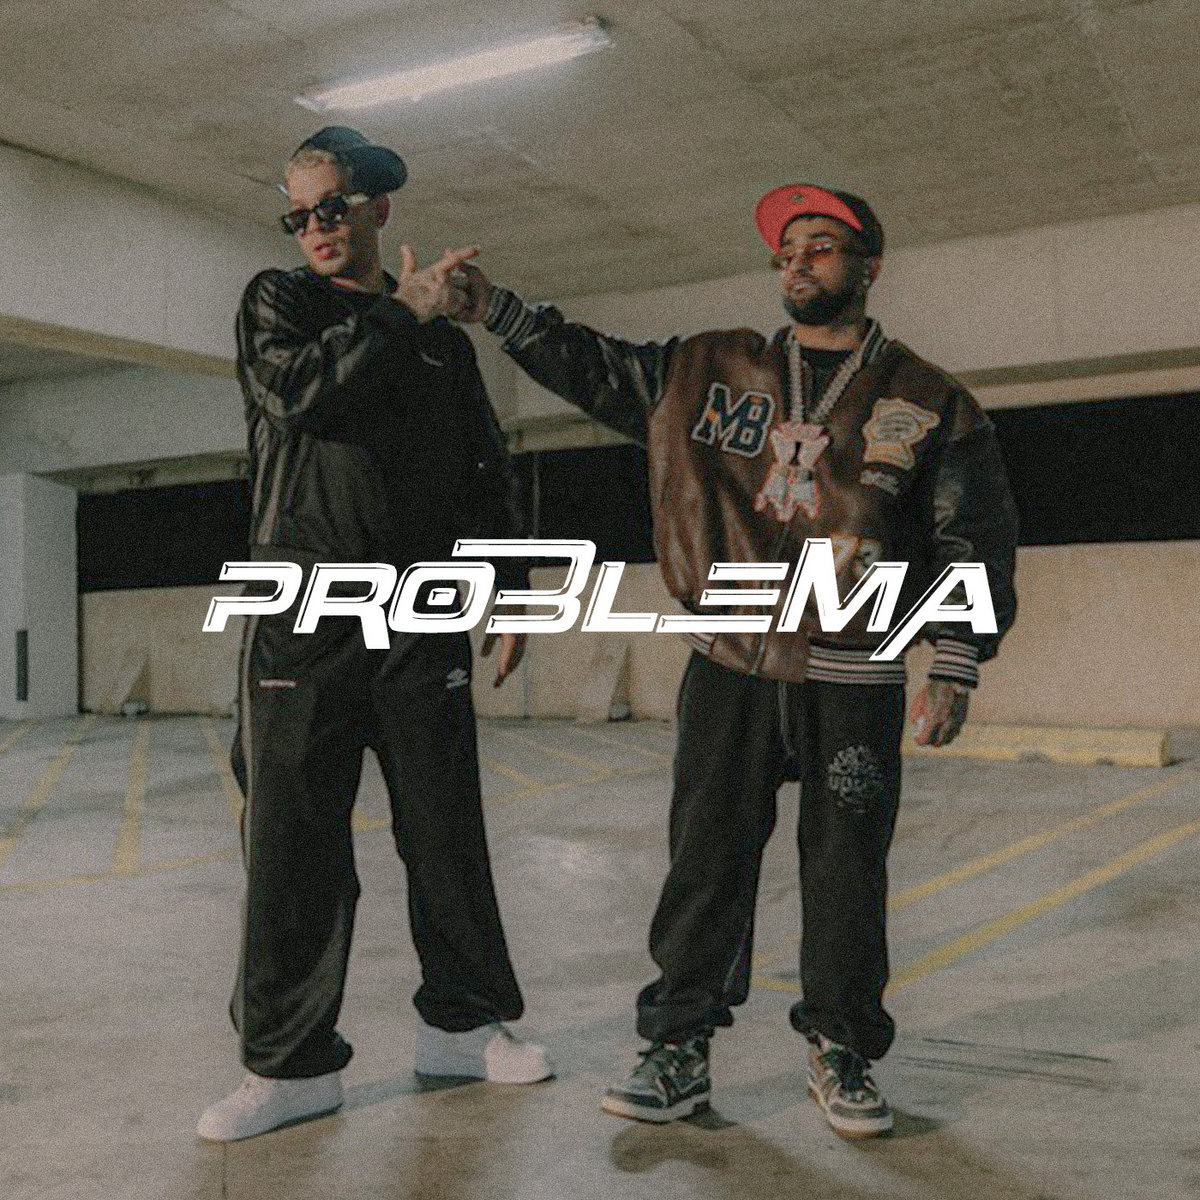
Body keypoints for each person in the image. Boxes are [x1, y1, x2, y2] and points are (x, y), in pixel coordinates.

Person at [455, 184, 1018, 1138]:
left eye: (821, 246)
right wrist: (497, 311)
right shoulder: (710, 369)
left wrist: (957, 657)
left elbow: (973, 530)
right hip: (729, 658)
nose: (798, 262)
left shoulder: (926, 397)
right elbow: (598, 368)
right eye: (787, 250)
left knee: (847, 873)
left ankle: (842, 1049)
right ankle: (678, 1047)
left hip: (855, 669)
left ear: (869, 265)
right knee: (705, 863)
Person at [197, 126, 550, 1143]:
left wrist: (509, 584)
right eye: (297, 214)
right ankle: (288, 1065)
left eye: (330, 208)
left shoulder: (442, 343)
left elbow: (482, 466)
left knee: (444, 830)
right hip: (304, 611)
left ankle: (463, 1026)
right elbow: (299, 394)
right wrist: (402, 311)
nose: (313, 227)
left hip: (418, 612)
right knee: (294, 845)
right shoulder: (279, 302)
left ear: (377, 208)